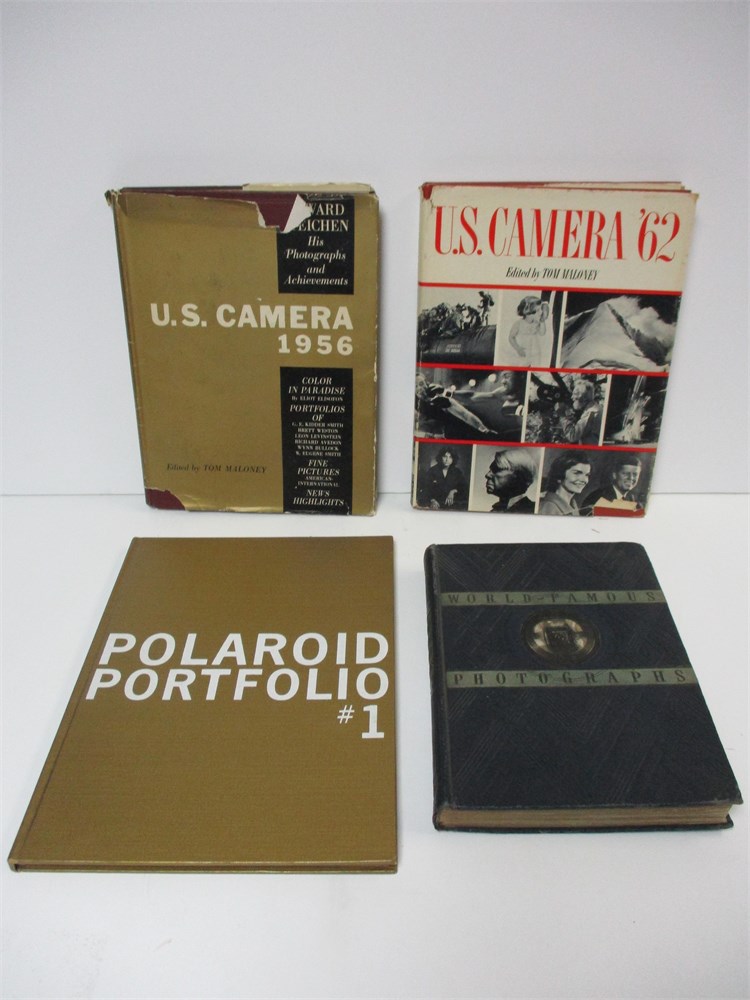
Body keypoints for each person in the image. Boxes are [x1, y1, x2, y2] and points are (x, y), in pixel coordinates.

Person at [484, 448, 537, 513]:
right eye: (490, 470)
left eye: (497, 470)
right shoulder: (495, 510)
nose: (487, 475)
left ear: (519, 477)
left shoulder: (533, 511)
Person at [539, 451, 592, 516]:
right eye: (577, 473)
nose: (584, 480)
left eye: (587, 475)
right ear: (560, 475)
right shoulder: (548, 507)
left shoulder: (573, 505)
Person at [508, 296, 550, 368]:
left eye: (541, 309)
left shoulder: (536, 323)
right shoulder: (519, 324)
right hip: (523, 352)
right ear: (528, 312)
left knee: (536, 370)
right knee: (523, 369)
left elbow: (542, 333)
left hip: (536, 352)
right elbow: (511, 337)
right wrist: (518, 349)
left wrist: (542, 321)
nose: (541, 312)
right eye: (538, 310)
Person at [570, 378, 603, 445]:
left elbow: (572, 436)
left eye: (575, 394)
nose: (572, 397)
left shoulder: (591, 412)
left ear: (584, 397)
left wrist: (563, 415)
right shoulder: (596, 407)